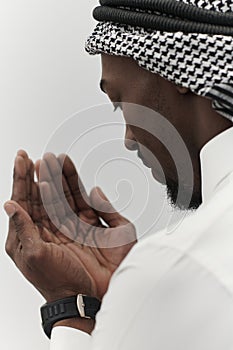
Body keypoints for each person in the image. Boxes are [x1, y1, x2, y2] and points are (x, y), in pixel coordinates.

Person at [4, 0, 233, 349]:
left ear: (178, 70)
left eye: (120, 100)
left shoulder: (179, 267)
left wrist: (73, 310)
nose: (128, 139)